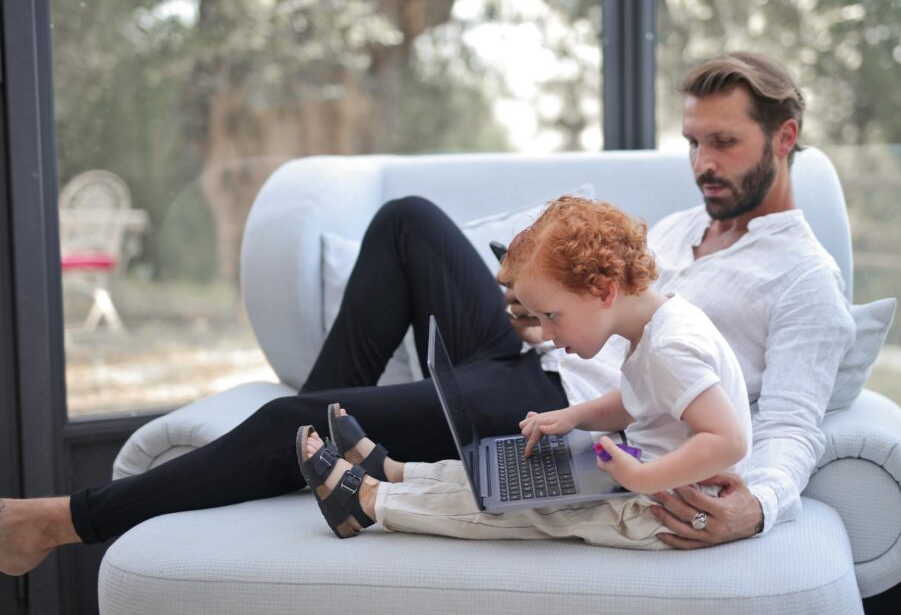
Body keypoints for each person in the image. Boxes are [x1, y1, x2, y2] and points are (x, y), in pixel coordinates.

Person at [0, 51, 853, 576]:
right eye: (694, 142)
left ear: (785, 137)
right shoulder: (681, 228)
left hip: (533, 410)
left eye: (725, 144)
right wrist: (534, 310)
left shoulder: (806, 279)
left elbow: (792, 426)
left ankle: (57, 523)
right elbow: (610, 316)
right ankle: (312, 442)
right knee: (408, 219)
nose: (703, 163)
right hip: (542, 365)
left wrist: (758, 506)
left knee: (284, 418)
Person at [295, 195, 751, 547]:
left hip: (661, 510)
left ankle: (368, 503)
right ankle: (391, 470)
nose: (548, 336)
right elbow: (640, 400)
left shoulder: (671, 347)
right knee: (511, 475)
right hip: (648, 484)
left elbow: (728, 439)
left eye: (552, 316)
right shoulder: (656, 328)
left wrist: (640, 478)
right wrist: (575, 417)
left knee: (518, 509)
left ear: (604, 290)